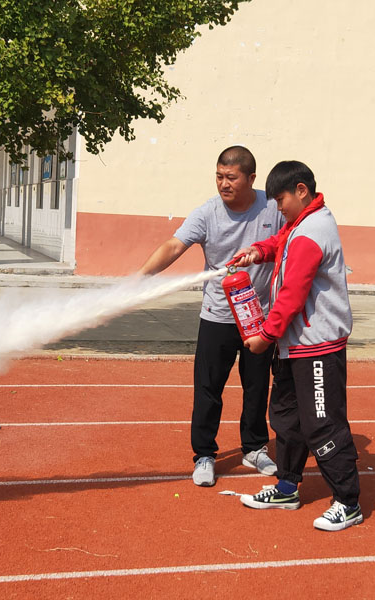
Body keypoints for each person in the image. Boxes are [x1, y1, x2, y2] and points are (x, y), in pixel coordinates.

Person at [138, 146, 283, 486]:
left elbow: (288, 240)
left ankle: (254, 448)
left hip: (259, 318)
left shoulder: (272, 208)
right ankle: (204, 454)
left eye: (231, 177)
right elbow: (175, 246)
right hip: (217, 315)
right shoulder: (207, 213)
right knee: (208, 389)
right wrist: (140, 276)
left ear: (250, 178)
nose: (223, 184)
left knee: (257, 387)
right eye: (219, 176)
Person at [234, 160, 362, 531]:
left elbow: (291, 295)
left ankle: (348, 501)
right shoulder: (301, 224)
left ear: (301, 191)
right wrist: (259, 251)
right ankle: (288, 487)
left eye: (281, 199)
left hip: (316, 347)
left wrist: (265, 336)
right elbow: (282, 242)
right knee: (286, 418)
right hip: (294, 346)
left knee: (322, 424)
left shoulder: (312, 231)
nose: (278, 207)